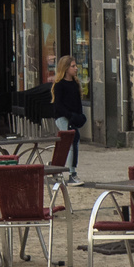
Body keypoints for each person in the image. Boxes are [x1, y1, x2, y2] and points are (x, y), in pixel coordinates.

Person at [51, 55, 85, 183]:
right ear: (65, 68)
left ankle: (57, 166)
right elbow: (58, 105)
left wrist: (79, 116)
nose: (76, 68)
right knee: (71, 141)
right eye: (73, 66)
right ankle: (72, 173)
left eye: (75, 66)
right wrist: (70, 116)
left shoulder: (75, 83)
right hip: (62, 117)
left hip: (72, 116)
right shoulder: (60, 85)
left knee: (73, 141)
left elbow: (77, 102)